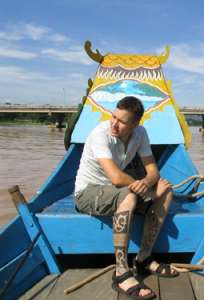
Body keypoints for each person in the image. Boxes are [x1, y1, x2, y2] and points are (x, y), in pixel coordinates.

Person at [74, 96, 178, 299]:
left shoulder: (141, 133)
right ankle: (121, 271)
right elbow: (115, 176)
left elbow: (153, 172)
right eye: (113, 117)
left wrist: (148, 185)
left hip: (117, 190)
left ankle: (143, 258)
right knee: (129, 195)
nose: (114, 123)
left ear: (135, 123)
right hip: (87, 193)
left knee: (165, 192)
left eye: (121, 121)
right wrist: (146, 192)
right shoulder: (100, 134)